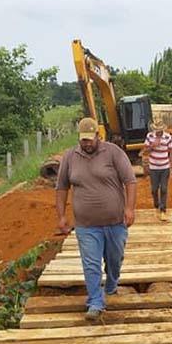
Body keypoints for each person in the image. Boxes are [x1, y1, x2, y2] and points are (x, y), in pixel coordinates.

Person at [56, 117, 137, 323]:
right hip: (86, 225)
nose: (87, 143)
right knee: (91, 264)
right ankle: (95, 302)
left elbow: (130, 180)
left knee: (114, 260)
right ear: (79, 138)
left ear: (98, 136)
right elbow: (62, 187)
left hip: (115, 222)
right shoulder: (70, 157)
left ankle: (111, 284)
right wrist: (62, 216)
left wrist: (129, 208)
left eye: (90, 140)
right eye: (83, 140)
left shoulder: (113, 152)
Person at [143, 120, 172, 222]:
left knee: (164, 189)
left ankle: (163, 210)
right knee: (154, 189)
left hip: (165, 167)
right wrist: (153, 145)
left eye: (160, 130)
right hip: (153, 168)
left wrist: (171, 165)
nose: (158, 132)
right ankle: (156, 202)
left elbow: (171, 152)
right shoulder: (149, 136)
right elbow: (145, 151)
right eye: (157, 130)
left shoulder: (168, 137)